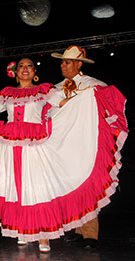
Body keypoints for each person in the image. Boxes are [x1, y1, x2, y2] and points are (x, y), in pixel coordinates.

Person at [0, 54, 127, 253]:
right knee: (17, 189)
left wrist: (88, 96)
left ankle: (42, 236)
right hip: (10, 145)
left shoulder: (45, 89)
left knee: (37, 188)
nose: (25, 68)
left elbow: (63, 104)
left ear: (34, 71)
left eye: (29, 66)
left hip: (35, 143)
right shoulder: (7, 93)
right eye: (21, 66)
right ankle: (22, 231)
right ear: (15, 72)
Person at [48, 45, 128, 249]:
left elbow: (107, 106)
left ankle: (90, 234)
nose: (63, 65)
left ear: (78, 64)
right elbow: (48, 114)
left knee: (89, 186)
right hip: (63, 147)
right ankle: (77, 229)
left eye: (67, 62)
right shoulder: (56, 89)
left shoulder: (93, 86)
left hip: (86, 144)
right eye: (62, 62)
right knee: (72, 187)